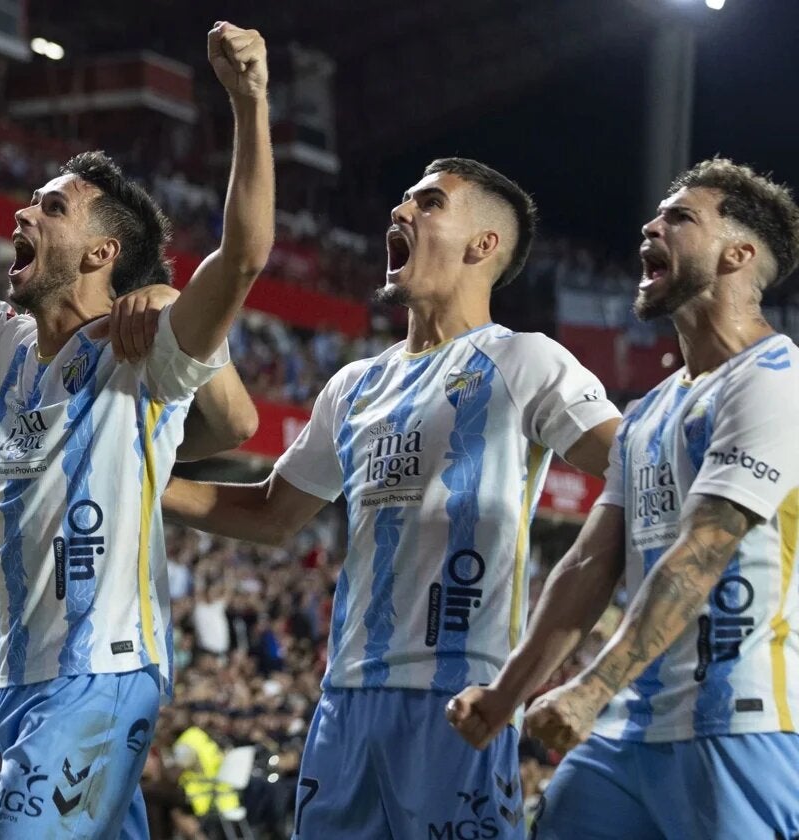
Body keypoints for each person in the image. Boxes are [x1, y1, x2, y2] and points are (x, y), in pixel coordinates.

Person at [0, 20, 272, 839]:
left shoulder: (145, 354)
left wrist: (247, 100)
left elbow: (241, 258)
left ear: (102, 252)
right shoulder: (18, 347)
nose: (24, 211)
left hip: (93, 673)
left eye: (51, 206)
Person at [163, 157, 622, 838]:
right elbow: (271, 512)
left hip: (459, 697)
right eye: (402, 199)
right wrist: (140, 481)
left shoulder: (526, 361)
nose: (399, 212)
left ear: (482, 245)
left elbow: (639, 468)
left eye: (429, 202)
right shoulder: (353, 385)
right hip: (344, 698)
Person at [447, 158, 799, 839]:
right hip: (630, 730)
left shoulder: (775, 381)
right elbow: (587, 567)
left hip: (742, 723)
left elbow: (705, 548)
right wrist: (507, 695)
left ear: (739, 253)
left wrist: (592, 687)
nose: (651, 225)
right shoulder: (646, 413)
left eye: (679, 217)